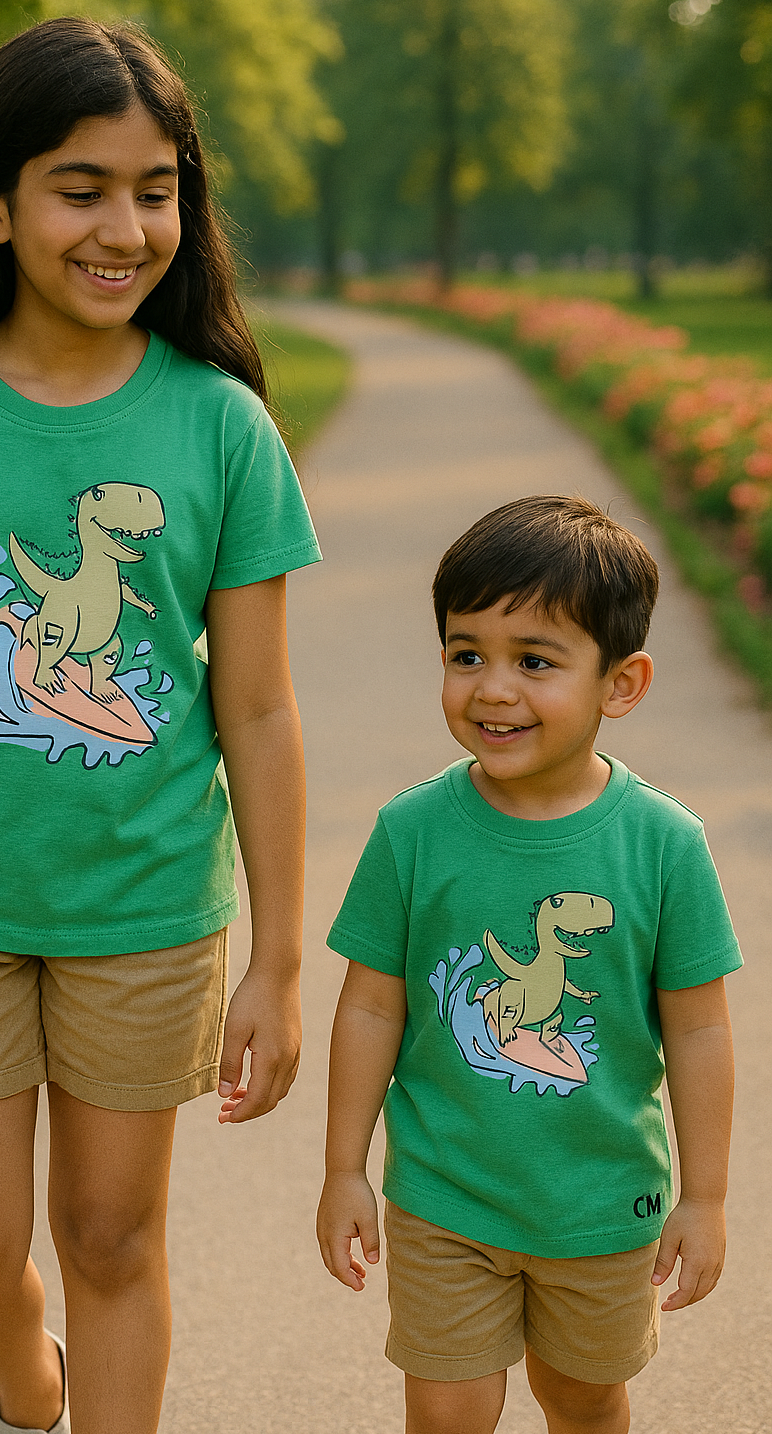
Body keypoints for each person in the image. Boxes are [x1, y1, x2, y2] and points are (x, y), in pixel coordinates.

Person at [0, 18, 320, 1434]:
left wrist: (277, 953)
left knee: (111, 1239)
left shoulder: (221, 427)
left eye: (157, 189)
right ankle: (33, 1382)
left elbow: (259, 708)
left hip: (146, 908)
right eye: (81, 187)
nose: (126, 225)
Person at [316, 495, 739, 1434]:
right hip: (444, 1191)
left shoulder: (665, 847)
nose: (492, 689)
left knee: (582, 1399)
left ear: (620, 685)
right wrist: (345, 1166)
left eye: (534, 662)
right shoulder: (412, 832)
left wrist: (704, 1197)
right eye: (467, 655)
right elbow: (371, 1008)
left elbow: (701, 1028)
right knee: (448, 1407)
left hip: (599, 1201)